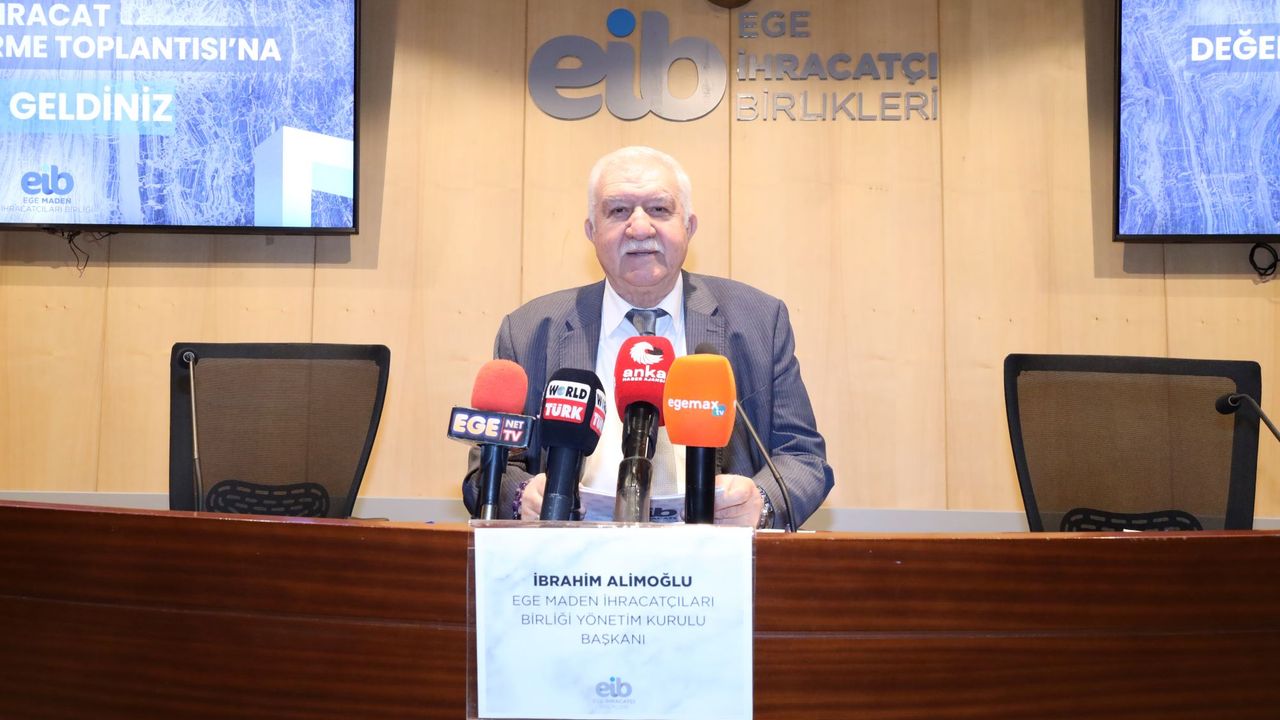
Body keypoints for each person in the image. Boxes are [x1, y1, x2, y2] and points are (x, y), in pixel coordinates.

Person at [463, 146, 833, 528]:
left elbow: (803, 458)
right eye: (618, 211)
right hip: (570, 554)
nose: (640, 228)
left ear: (689, 226)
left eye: (659, 209)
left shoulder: (758, 322)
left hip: (711, 554)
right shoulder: (529, 330)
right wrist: (521, 496)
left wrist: (762, 503)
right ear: (591, 231)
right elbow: (487, 466)